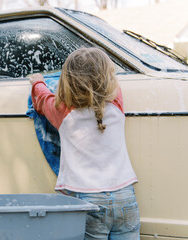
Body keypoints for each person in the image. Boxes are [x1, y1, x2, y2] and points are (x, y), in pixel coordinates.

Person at [29, 47, 140, 239]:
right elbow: (111, 83)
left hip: (86, 200)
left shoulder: (61, 111)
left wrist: (37, 80)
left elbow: (42, 97)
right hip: (125, 195)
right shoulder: (116, 103)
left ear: (66, 83)